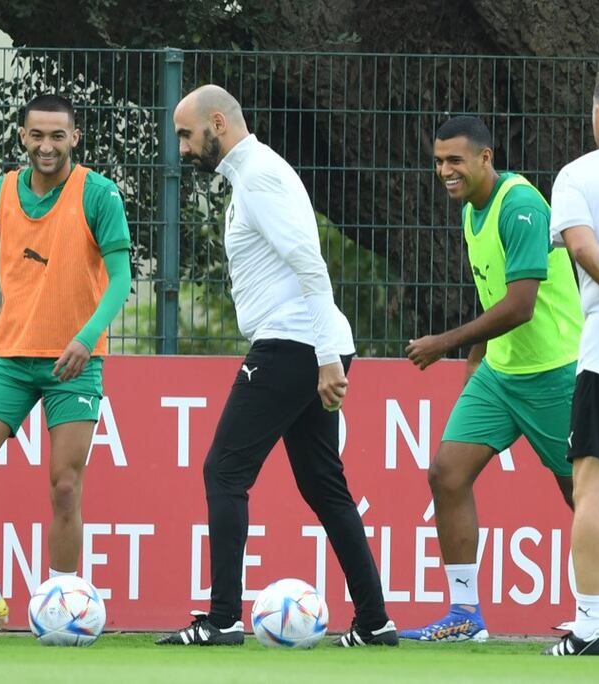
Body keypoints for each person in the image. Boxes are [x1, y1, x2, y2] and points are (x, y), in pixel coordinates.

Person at [157, 84, 397, 648]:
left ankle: (221, 621)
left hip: (294, 345)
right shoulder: (252, 176)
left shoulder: (260, 175)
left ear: (218, 123)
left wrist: (327, 360)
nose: (184, 149)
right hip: (304, 343)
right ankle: (375, 622)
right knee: (323, 485)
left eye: (187, 135)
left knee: (224, 472)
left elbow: (309, 264)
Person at [401, 115, 599, 642]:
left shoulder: (519, 205)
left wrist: (444, 343)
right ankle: (465, 615)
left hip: (555, 373)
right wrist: (477, 357)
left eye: (455, 160)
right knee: (446, 475)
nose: (445, 170)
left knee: (588, 500)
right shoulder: (474, 209)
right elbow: (495, 294)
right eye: (439, 161)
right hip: (501, 373)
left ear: (485, 158)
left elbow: (519, 306)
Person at [0, 94, 132, 636]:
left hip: (75, 363)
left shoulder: (98, 194)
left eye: (57, 136)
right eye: (36, 135)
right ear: (22, 137)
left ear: (75, 138)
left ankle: (61, 606)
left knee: (65, 486)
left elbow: (120, 279)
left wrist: (87, 337)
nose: (46, 146)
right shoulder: (1, 192)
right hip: (9, 360)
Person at [543, 63, 599, 656]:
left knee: (596, 490)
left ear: (598, 114)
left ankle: (591, 627)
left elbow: (583, 248)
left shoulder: (577, 175)